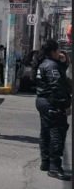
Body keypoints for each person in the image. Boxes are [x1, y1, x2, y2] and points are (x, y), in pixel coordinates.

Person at [35, 39, 71, 180]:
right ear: (53, 51)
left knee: (45, 132)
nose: (59, 53)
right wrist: (64, 104)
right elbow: (57, 86)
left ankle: (46, 162)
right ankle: (55, 167)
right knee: (57, 133)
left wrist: (63, 61)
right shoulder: (51, 66)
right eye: (58, 51)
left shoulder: (44, 63)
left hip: (42, 101)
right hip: (52, 102)